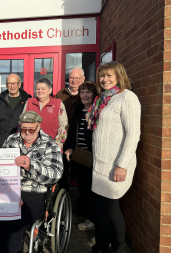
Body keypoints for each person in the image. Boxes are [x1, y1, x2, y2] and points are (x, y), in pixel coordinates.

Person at [87, 62, 141, 253]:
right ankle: (114, 244)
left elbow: (133, 134)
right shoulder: (103, 99)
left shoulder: (127, 97)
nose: (105, 79)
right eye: (102, 76)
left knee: (104, 209)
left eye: (109, 75)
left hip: (115, 164)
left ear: (119, 76)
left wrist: (122, 165)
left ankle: (108, 247)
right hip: (100, 164)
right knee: (109, 208)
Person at [0, 111, 63, 253]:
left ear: (38, 127)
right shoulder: (12, 139)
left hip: (34, 192)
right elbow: (0, 168)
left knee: (11, 226)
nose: (27, 132)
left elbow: (55, 174)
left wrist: (31, 166)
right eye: (23, 128)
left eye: (31, 129)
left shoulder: (50, 144)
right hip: (10, 190)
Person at [64, 81, 98, 232]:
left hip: (95, 156)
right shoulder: (77, 111)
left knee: (94, 191)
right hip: (81, 156)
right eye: (82, 92)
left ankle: (93, 220)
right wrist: (70, 147)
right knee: (83, 188)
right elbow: (72, 132)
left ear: (94, 94)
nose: (84, 95)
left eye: (88, 92)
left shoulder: (97, 110)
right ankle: (89, 217)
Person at [56, 67, 85, 190]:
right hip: (64, 136)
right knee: (63, 169)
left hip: (81, 136)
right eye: (72, 77)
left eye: (77, 78)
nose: (74, 80)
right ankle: (63, 194)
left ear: (83, 79)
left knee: (82, 171)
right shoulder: (60, 94)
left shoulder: (87, 93)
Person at [0, 74, 31, 149]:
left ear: (19, 84)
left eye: (15, 83)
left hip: (22, 141)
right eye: (9, 83)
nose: (12, 86)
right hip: (2, 141)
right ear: (6, 84)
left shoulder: (27, 99)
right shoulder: (0, 99)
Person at [25, 78, 68, 147]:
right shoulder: (29, 102)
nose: (40, 91)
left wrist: (58, 143)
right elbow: (21, 123)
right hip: (31, 146)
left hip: (52, 146)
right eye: (37, 89)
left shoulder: (58, 104)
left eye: (43, 88)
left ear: (50, 90)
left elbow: (63, 125)